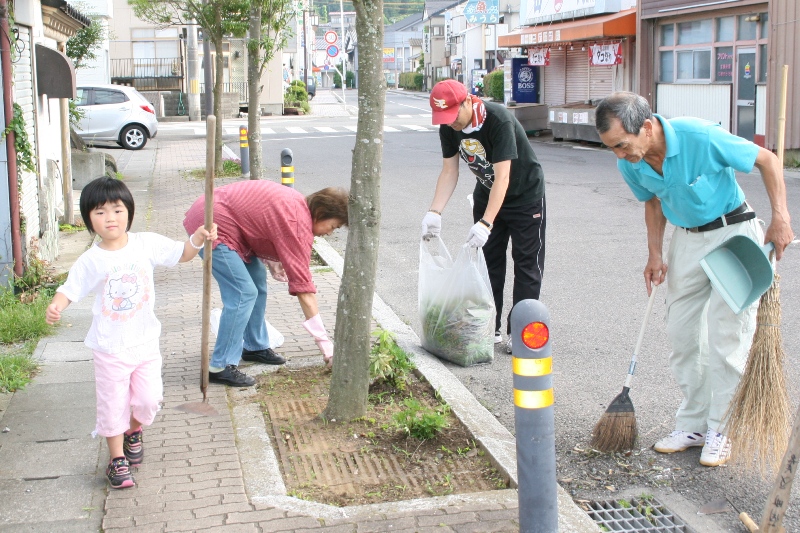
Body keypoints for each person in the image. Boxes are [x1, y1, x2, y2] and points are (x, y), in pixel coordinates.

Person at [595, 91, 793, 467]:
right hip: (686, 239)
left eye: (621, 145)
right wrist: (655, 253)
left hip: (732, 233)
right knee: (683, 335)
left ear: (647, 127)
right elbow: (653, 202)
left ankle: (722, 428)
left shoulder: (700, 136)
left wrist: (781, 216)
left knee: (727, 334)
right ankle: (693, 424)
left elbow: (767, 160)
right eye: (611, 149)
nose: (619, 155)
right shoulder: (630, 163)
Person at [45, 177, 217, 489]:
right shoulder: (91, 260)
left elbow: (182, 253)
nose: (110, 217)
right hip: (110, 348)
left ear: (129, 212)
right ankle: (116, 460)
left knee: (149, 400)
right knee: (113, 404)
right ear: (88, 220)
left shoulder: (145, 244)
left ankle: (134, 430)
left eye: (116, 209)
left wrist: (198, 238)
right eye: (99, 212)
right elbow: (69, 290)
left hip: (145, 344)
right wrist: (56, 306)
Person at [183, 180, 348, 387]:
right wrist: (325, 345)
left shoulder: (298, 206)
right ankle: (220, 366)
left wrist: (272, 260)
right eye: (333, 226)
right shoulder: (298, 223)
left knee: (257, 283)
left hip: (228, 224)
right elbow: (304, 290)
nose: (330, 233)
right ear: (321, 212)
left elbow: (262, 224)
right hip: (211, 226)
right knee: (243, 292)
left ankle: (254, 347)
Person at [421, 79, 546, 353]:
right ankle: (491, 327)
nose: (451, 122)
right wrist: (434, 211)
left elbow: (503, 177)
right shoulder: (448, 127)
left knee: (526, 265)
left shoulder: (497, 119)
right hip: (487, 195)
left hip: (524, 196)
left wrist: (486, 223)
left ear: (467, 101)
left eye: (453, 115)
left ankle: (521, 330)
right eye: (444, 118)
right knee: (488, 266)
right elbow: (449, 171)